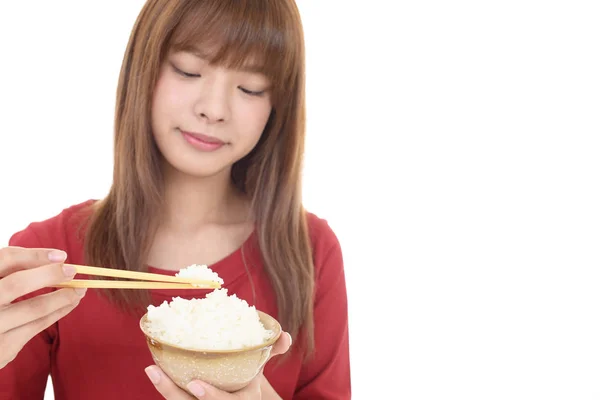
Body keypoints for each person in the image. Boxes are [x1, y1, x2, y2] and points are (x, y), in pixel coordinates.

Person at [0, 0, 350, 399]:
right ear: (143, 69)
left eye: (251, 87)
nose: (213, 109)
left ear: (277, 106)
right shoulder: (48, 260)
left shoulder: (310, 251)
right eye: (188, 70)